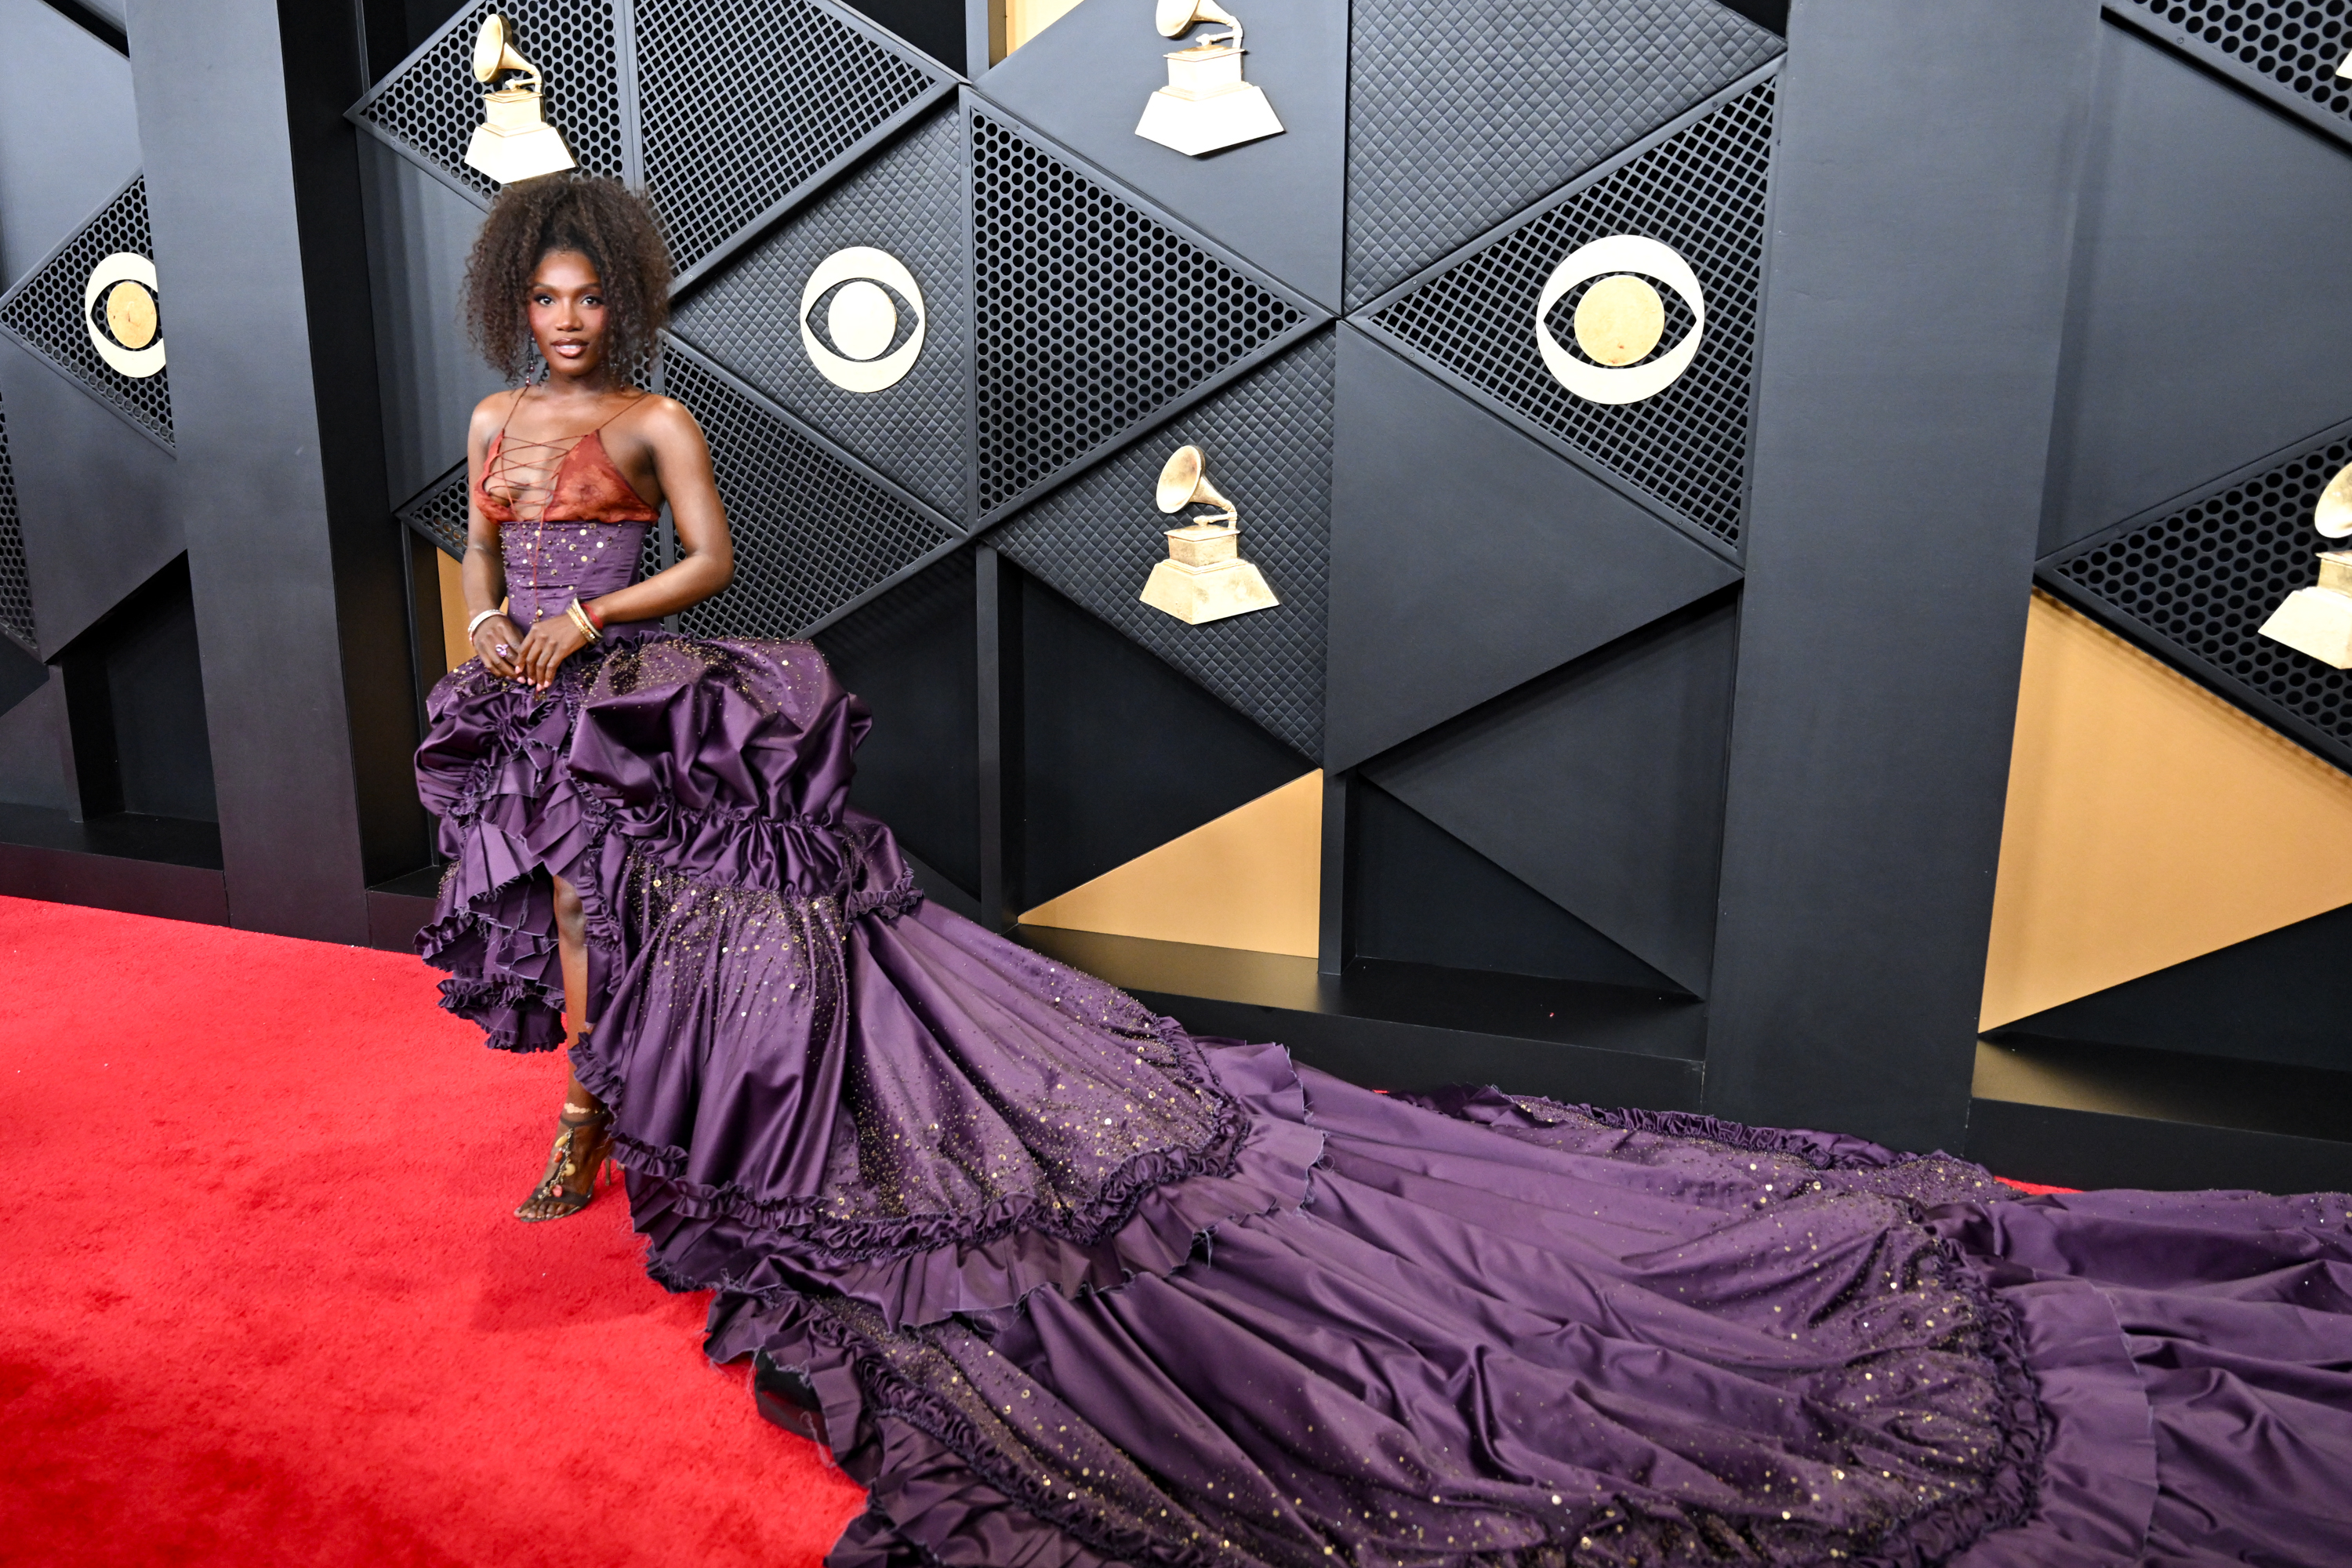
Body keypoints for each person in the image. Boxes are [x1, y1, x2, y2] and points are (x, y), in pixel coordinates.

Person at [418, 176, 2352, 1567]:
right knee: (586, 910)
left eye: (597, 300)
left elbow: (711, 562)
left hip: (662, 690)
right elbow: (499, 565)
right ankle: (602, 1104)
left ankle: (649, 1102)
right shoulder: (501, 423)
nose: (574, 324)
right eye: (553, 301)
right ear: (522, 303)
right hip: (536, 689)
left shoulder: (659, 416)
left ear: (627, 305)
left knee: (742, 929)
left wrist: (600, 634)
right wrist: (509, 637)